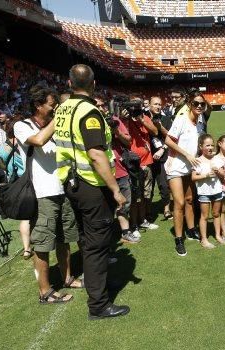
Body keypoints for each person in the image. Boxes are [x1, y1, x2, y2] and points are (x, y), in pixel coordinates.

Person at [53, 64, 129, 319]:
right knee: (97, 244)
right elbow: (96, 154)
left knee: (88, 240)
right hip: (90, 184)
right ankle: (98, 305)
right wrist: (115, 189)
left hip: (71, 182)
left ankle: (100, 288)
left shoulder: (62, 108)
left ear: (69, 82)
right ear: (93, 84)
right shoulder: (89, 112)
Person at [14, 85, 81, 304]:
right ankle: (45, 291)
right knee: (42, 244)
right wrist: (58, 118)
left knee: (64, 239)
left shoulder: (55, 126)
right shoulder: (21, 126)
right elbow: (39, 140)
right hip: (42, 193)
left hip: (61, 189)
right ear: (37, 105)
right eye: (52, 106)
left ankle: (67, 277)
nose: (55, 110)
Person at [164, 90, 207, 256]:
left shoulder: (200, 120)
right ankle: (179, 239)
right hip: (175, 166)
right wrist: (187, 155)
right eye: (196, 103)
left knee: (190, 199)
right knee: (180, 202)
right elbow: (168, 140)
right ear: (189, 103)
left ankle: (190, 230)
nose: (199, 106)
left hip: (190, 166)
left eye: (202, 104)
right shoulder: (181, 119)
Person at [95, 96, 139, 244]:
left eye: (103, 105)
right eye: (98, 105)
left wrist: (116, 132)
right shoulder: (91, 123)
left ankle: (125, 232)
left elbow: (128, 141)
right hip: (101, 173)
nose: (102, 108)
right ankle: (106, 240)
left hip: (120, 170)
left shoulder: (115, 120)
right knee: (104, 209)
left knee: (124, 203)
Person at [0, 118, 31, 260]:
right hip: (30, 178)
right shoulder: (25, 141)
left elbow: (2, 163)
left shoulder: (4, 146)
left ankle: (27, 248)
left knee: (25, 216)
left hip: (17, 183)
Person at [126, 97, 159, 232]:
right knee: (135, 197)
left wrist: (141, 119)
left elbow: (155, 132)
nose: (135, 108)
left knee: (146, 194)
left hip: (147, 162)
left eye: (137, 105)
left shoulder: (145, 117)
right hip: (133, 164)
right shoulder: (125, 119)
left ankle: (144, 220)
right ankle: (133, 224)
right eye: (132, 105)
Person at [192, 134, 225, 249]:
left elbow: (223, 174)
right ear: (201, 147)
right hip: (204, 193)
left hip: (217, 191)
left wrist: (218, 172)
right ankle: (204, 239)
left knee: (216, 214)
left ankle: (218, 235)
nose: (210, 148)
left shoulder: (217, 159)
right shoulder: (197, 161)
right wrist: (205, 175)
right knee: (204, 216)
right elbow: (193, 178)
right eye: (207, 145)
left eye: (212, 145)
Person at [146, 96, 173, 221]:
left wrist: (162, 149)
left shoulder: (166, 119)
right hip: (147, 158)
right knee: (148, 187)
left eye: (159, 104)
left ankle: (166, 209)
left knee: (164, 185)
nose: (158, 106)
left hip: (163, 157)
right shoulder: (144, 118)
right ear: (149, 105)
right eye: (155, 104)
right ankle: (148, 211)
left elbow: (172, 137)